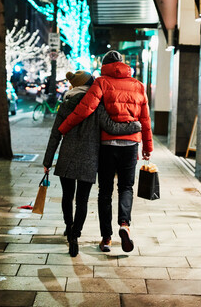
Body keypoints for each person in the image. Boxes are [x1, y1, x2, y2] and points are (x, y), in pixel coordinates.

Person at [58, 51, 153, 253]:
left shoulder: (101, 82)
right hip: (130, 145)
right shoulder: (138, 85)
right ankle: (124, 225)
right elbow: (145, 119)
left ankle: (106, 238)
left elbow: (85, 108)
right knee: (126, 187)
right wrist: (148, 146)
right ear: (122, 64)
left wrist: (63, 128)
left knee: (105, 191)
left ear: (105, 65)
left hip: (107, 145)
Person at [43, 70, 140, 257]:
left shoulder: (65, 104)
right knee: (82, 201)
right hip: (89, 159)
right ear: (89, 85)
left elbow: (55, 134)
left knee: (67, 196)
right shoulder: (97, 106)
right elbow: (112, 127)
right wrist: (135, 127)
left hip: (67, 158)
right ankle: (76, 234)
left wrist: (48, 161)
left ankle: (68, 227)